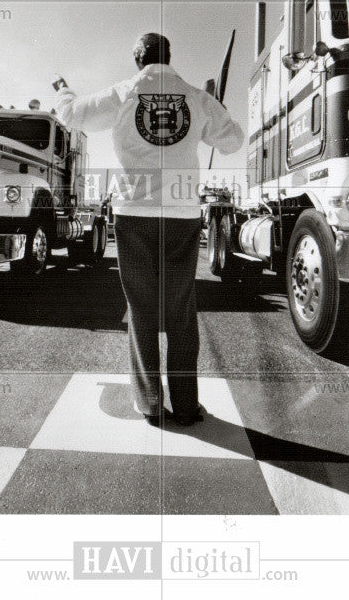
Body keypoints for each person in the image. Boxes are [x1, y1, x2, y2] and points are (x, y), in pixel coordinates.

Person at [55, 33, 244, 426]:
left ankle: (150, 404)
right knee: (180, 311)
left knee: (141, 310)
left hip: (134, 214)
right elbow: (232, 142)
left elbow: (70, 115)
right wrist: (214, 108)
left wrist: (63, 90)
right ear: (169, 56)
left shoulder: (124, 93)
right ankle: (187, 407)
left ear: (138, 59)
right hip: (181, 215)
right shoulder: (195, 97)